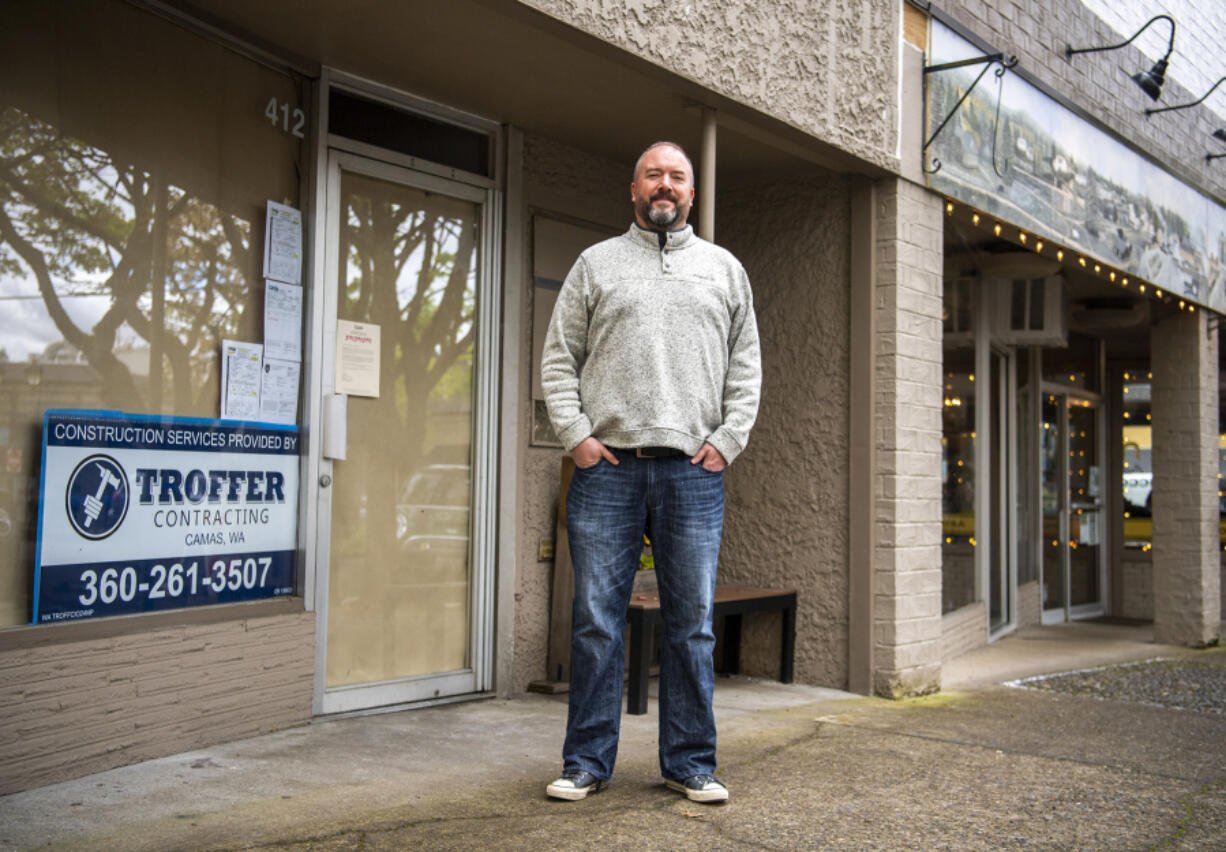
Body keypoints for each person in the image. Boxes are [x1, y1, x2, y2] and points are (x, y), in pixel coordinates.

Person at [540, 141, 761, 804]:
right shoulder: (595, 265)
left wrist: (729, 440)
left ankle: (691, 763)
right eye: (654, 175)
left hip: (692, 473)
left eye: (677, 177)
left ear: (692, 194)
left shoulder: (723, 271)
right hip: (607, 470)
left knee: (691, 623)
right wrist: (576, 437)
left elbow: (745, 367)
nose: (665, 185)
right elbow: (558, 361)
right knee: (596, 621)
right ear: (632, 189)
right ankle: (585, 762)